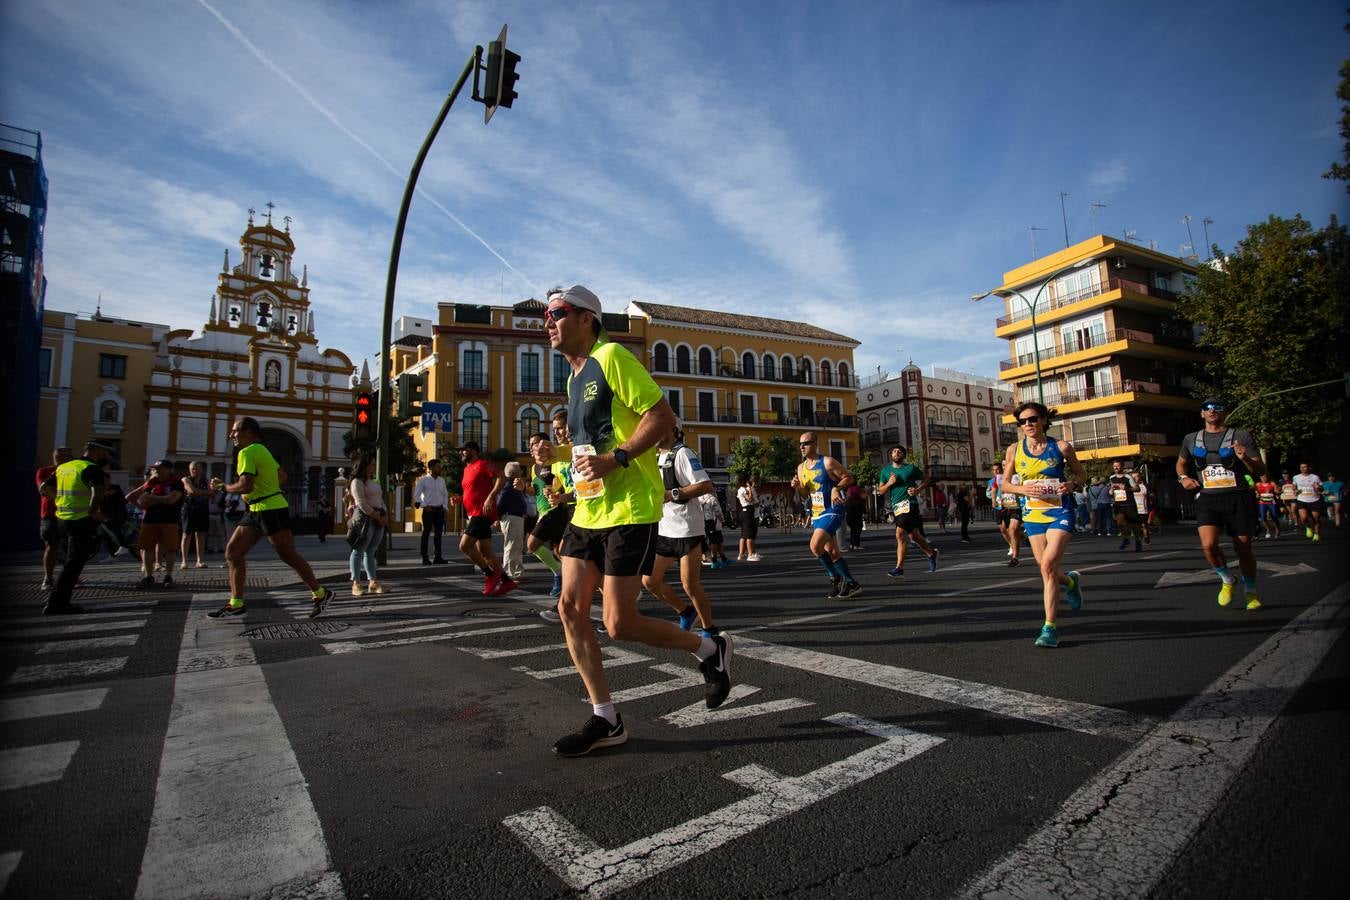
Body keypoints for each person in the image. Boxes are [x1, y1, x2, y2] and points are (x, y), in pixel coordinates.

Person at [545, 284, 732, 757]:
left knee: (619, 623)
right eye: (545, 317)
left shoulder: (611, 357)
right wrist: (561, 456)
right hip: (589, 509)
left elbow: (662, 416)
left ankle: (709, 649)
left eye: (556, 313)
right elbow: (594, 444)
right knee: (569, 608)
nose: (548, 323)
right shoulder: (574, 379)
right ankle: (605, 718)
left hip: (630, 510)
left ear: (586, 317)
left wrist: (619, 458)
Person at [206, 416, 335, 620]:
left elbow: (246, 485)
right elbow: (281, 476)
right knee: (233, 553)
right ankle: (236, 603)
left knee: (288, 555)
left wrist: (224, 487)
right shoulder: (262, 450)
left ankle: (321, 594)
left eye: (235, 431)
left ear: (248, 433)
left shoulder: (247, 451)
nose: (231, 435)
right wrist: (264, 488)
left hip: (270, 509)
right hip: (258, 509)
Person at [1001, 402, 1089, 648]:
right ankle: (1071, 582)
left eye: (1032, 419)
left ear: (1043, 420)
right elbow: (1005, 485)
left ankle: (1049, 628)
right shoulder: (1014, 450)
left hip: (1060, 510)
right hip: (1033, 515)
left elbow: (1081, 475)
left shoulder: (1061, 447)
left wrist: (1071, 485)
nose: (1027, 424)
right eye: (1022, 421)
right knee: (1046, 568)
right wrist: (1022, 489)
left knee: (1049, 565)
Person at [1176, 398, 1265, 610]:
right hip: (1208, 498)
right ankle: (1227, 579)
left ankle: (1250, 593)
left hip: (1238, 497)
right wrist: (1184, 479)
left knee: (1243, 549)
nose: (1212, 410)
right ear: (1201, 414)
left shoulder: (1241, 436)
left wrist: (1244, 458)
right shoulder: (1191, 439)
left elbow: (1260, 471)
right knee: (1208, 545)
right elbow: (1180, 464)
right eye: (1207, 408)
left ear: (1225, 412)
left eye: (1218, 407)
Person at [643, 421, 719, 636]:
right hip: (663, 530)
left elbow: (706, 486)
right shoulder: (653, 456)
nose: (653, 431)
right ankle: (685, 612)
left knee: (690, 585)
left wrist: (671, 495)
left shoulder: (683, 453)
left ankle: (709, 628)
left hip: (688, 530)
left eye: (657, 426)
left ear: (673, 428)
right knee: (650, 581)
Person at [39, 441, 113, 614]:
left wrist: (60, 502)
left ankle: (58, 601)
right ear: (99, 452)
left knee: (70, 562)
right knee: (73, 564)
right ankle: (56, 603)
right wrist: (93, 512)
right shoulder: (91, 468)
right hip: (81, 520)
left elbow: (44, 488)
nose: (108, 458)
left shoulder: (65, 467)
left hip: (62, 519)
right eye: (107, 454)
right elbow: (97, 493)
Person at [793, 431, 862, 598]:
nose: (802, 446)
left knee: (814, 546)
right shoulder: (801, 468)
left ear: (816, 444)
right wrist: (797, 487)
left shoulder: (827, 462)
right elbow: (804, 495)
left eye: (806, 443)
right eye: (800, 444)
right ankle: (852, 583)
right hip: (817, 512)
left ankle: (835, 577)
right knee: (832, 552)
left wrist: (836, 488)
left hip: (833, 509)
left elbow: (849, 478)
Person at [453, 440, 514, 596]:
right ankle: (507, 581)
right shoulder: (466, 469)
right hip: (473, 512)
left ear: (473, 450)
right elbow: (473, 491)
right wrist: (460, 499)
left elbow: (501, 477)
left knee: (464, 546)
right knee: (485, 552)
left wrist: (491, 497)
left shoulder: (483, 464)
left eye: (463, 450)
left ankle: (489, 574)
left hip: (482, 513)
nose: (460, 453)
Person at [876, 444, 939, 576]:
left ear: (903, 455)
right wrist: (889, 483)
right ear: (891, 455)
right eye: (894, 451)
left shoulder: (910, 469)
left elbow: (926, 479)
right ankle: (931, 553)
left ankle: (899, 568)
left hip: (910, 504)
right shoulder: (886, 471)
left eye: (899, 451)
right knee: (913, 536)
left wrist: (918, 489)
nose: (897, 453)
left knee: (899, 534)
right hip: (897, 506)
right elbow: (880, 491)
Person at [526, 432, 570, 598]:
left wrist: (556, 490)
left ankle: (559, 575)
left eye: (535, 444)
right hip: (543, 511)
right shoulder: (533, 467)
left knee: (531, 544)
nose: (532, 448)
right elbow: (536, 493)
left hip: (556, 510)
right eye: (530, 445)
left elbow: (564, 484)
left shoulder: (554, 462)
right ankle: (576, 582)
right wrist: (524, 488)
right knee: (561, 553)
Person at [126, 461, 182, 589]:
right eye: (155, 468)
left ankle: (168, 576)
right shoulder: (151, 483)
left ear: (168, 469)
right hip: (150, 519)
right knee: (147, 548)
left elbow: (172, 499)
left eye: (159, 468)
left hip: (169, 519)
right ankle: (148, 576)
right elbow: (141, 500)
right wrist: (158, 499)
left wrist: (153, 498)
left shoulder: (176, 483)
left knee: (170, 548)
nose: (156, 471)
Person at [347, 452, 388, 596]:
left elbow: (381, 499)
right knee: (358, 550)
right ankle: (356, 582)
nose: (373, 467)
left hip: (378, 517)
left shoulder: (374, 482)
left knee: (371, 550)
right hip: (365, 519)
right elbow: (361, 502)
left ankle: (372, 581)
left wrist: (384, 514)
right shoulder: (357, 482)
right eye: (371, 464)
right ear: (364, 466)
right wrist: (375, 515)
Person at [37, 447, 75, 590]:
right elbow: (43, 489)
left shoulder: (73, 472)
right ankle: (48, 577)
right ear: (58, 457)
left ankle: (70, 578)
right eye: (68, 456)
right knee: (51, 546)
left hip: (70, 514)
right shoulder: (45, 472)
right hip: (50, 514)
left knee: (70, 548)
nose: (71, 458)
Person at [413, 458, 450, 564]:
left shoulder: (441, 480)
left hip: (439, 510)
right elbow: (416, 495)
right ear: (431, 468)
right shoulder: (423, 480)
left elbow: (445, 494)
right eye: (438, 466)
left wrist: (445, 507)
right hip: (429, 510)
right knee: (426, 533)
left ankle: (438, 557)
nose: (440, 468)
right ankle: (425, 557)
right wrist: (424, 505)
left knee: (438, 534)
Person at [987, 460, 1023, 566]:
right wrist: (993, 501)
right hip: (1002, 506)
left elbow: (1024, 488)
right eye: (1003, 465)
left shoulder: (1017, 476)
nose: (1004, 467)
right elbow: (993, 490)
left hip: (1015, 506)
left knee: (1012, 529)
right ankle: (1016, 542)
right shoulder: (998, 478)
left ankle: (1015, 557)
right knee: (1004, 529)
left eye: (1005, 465)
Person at [497, 461, 528, 580]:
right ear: (515, 473)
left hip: (515, 517)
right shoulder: (510, 486)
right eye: (520, 470)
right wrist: (498, 516)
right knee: (512, 546)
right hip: (512, 518)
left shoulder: (512, 485)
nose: (521, 472)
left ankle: (517, 572)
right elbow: (500, 504)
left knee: (516, 546)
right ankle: (509, 573)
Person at [179, 461, 213, 569]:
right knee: (186, 534)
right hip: (189, 509)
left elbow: (212, 494)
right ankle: (184, 561)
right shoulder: (186, 479)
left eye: (197, 468)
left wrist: (199, 492)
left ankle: (200, 560)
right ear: (189, 470)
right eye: (193, 468)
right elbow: (192, 491)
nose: (195, 471)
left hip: (202, 509)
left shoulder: (206, 481)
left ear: (202, 470)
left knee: (201, 535)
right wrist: (204, 493)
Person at [1109, 459, 1144, 552]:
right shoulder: (1111, 478)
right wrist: (1111, 490)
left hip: (1129, 504)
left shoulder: (1128, 477)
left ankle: (1137, 541)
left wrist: (1126, 488)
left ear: (1122, 466)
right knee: (1119, 522)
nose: (1116, 468)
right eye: (1114, 466)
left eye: (1118, 466)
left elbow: (1137, 489)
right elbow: (1110, 491)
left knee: (1134, 525)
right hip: (1119, 505)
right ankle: (1125, 539)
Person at [95, 483, 135, 562]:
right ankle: (112, 555)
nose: (108, 491)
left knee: (115, 528)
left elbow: (118, 504)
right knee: (106, 535)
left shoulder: (116, 493)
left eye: (110, 490)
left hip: (118, 516)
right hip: (108, 517)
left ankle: (123, 546)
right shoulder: (106, 495)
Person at [1292, 462, 1324, 541]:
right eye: (1301, 467)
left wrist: (1318, 487)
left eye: (1304, 467)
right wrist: (1295, 491)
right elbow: (1294, 487)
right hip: (1302, 499)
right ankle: (1308, 527)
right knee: (1303, 518)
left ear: (1309, 468)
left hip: (1314, 499)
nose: (1302, 469)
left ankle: (1316, 534)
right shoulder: (1296, 477)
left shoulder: (1315, 477)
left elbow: (1321, 489)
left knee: (1316, 519)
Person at [701, 492, 730, 569]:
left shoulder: (700, 498)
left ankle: (723, 559)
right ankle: (714, 561)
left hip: (704, 521)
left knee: (715, 541)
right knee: (715, 541)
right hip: (712, 521)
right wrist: (723, 520)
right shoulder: (712, 498)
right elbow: (718, 511)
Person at [736, 474, 760, 561]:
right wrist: (749, 488)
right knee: (749, 534)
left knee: (744, 535)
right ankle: (750, 555)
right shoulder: (743, 490)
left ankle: (741, 554)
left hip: (745, 511)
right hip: (748, 512)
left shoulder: (740, 490)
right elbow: (750, 499)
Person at [1253, 472, 1281, 539]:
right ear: (1260, 478)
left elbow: (1277, 491)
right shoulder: (1258, 484)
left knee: (1274, 516)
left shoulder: (1272, 483)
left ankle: (1277, 529)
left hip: (1271, 502)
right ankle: (1268, 530)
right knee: (1263, 517)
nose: (1264, 478)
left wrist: (1277, 492)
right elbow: (1254, 490)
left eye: (1265, 477)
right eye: (1262, 477)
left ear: (1268, 477)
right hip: (1262, 503)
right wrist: (1256, 493)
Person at [844, 482, 866, 550]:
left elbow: (847, 498)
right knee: (857, 528)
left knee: (853, 529)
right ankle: (856, 545)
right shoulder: (858, 489)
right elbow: (863, 497)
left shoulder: (849, 489)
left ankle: (852, 544)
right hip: (857, 510)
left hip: (850, 510)